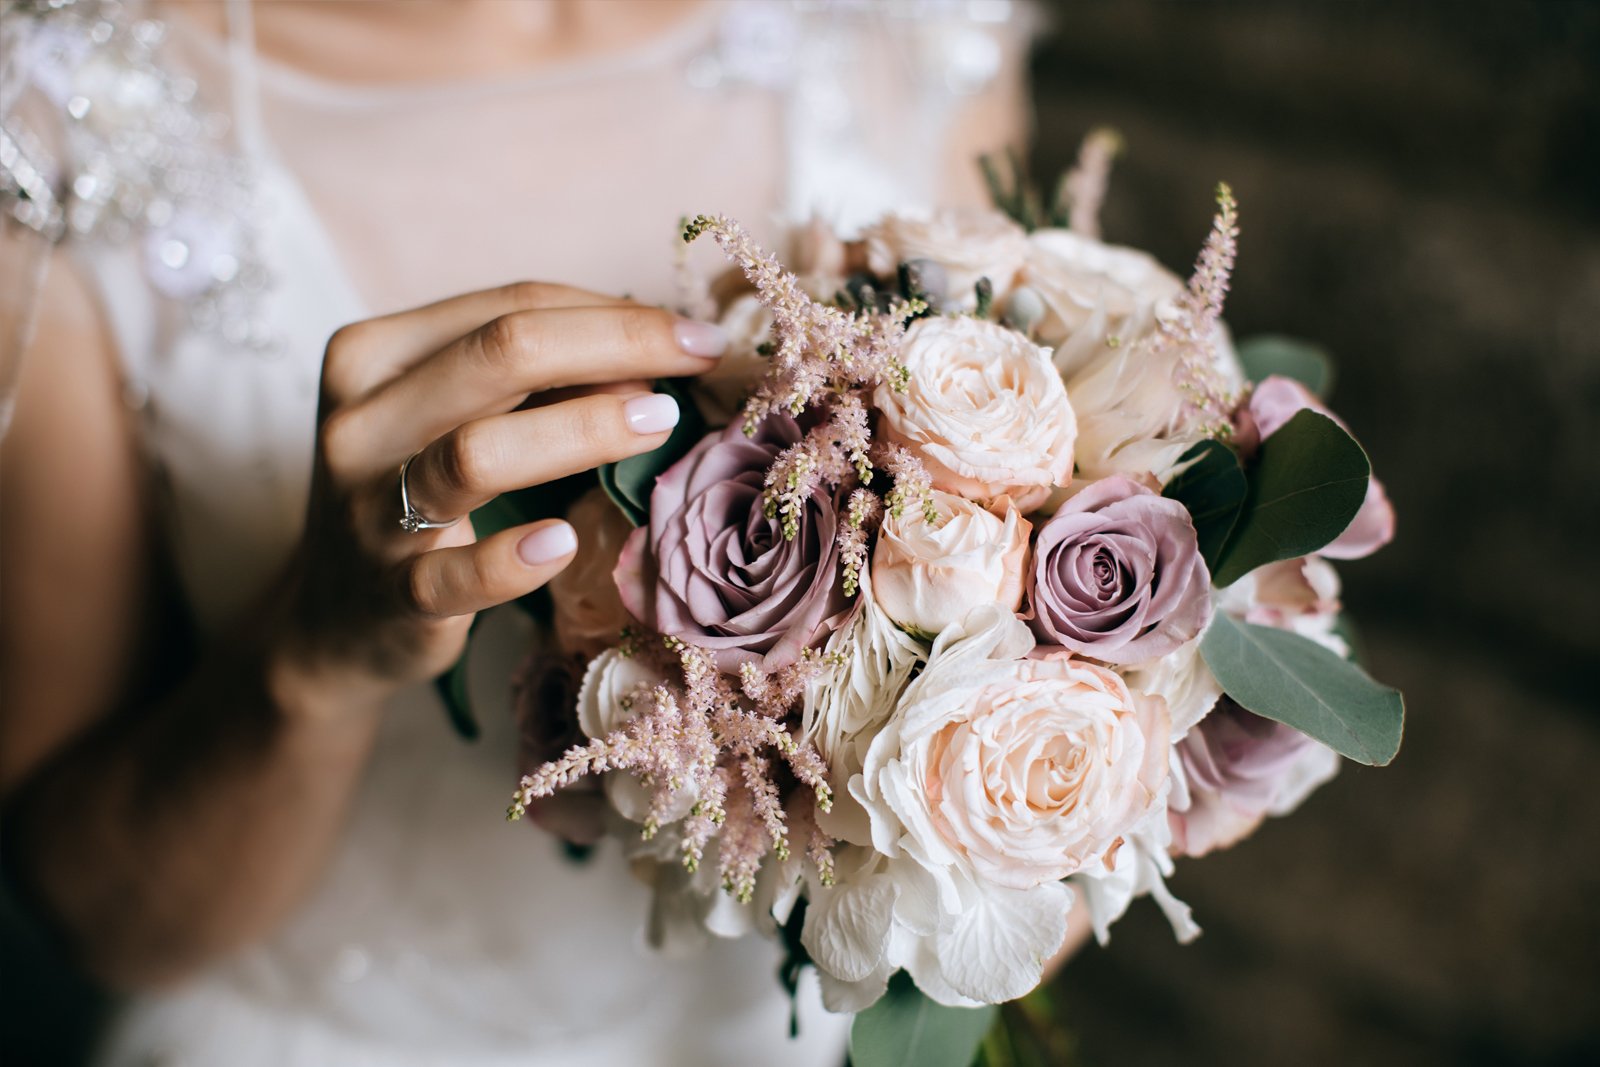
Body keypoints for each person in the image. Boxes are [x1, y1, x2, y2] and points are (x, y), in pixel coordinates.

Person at [0, 2, 1061, 1063]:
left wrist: (1036, 809)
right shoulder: (62, 110)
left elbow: (1040, 542)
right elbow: (99, 915)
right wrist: (311, 657)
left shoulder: (910, 26)